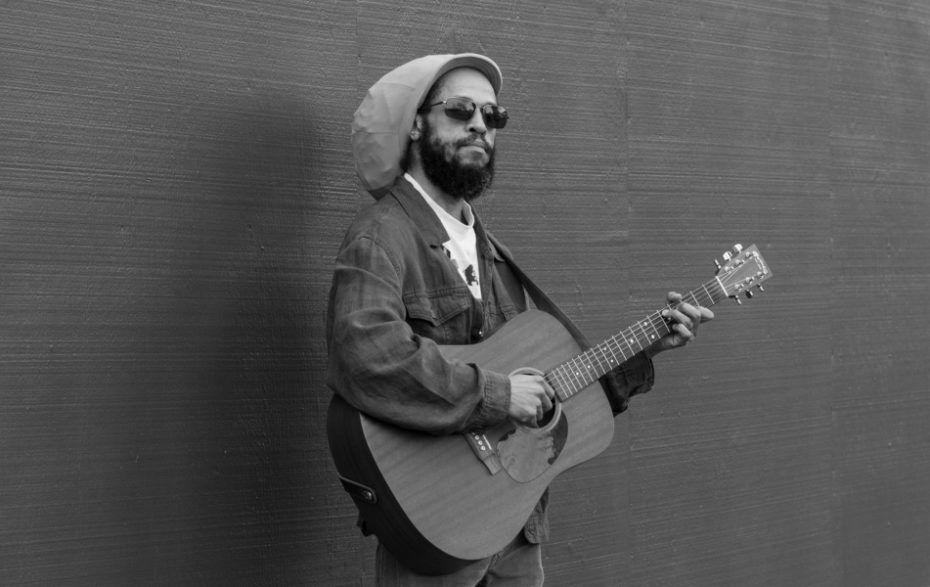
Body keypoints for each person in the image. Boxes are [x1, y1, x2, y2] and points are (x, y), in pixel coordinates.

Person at [326, 53, 714, 587]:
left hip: (516, 524)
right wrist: (498, 394)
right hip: (439, 526)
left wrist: (648, 347)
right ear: (415, 124)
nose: (480, 125)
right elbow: (365, 357)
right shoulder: (382, 236)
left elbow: (549, 391)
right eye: (460, 110)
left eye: (493, 115)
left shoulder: (492, 254)